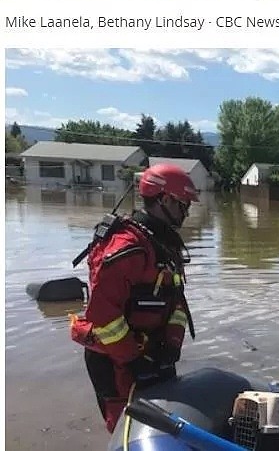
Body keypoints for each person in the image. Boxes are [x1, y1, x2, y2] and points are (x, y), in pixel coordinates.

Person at [70, 163, 198, 433]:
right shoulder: (127, 247)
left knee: (164, 429)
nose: (186, 213)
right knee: (127, 432)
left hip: (152, 353)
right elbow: (103, 317)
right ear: (164, 199)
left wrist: (172, 345)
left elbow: (176, 303)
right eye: (183, 205)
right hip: (115, 359)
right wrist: (133, 361)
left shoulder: (164, 245)